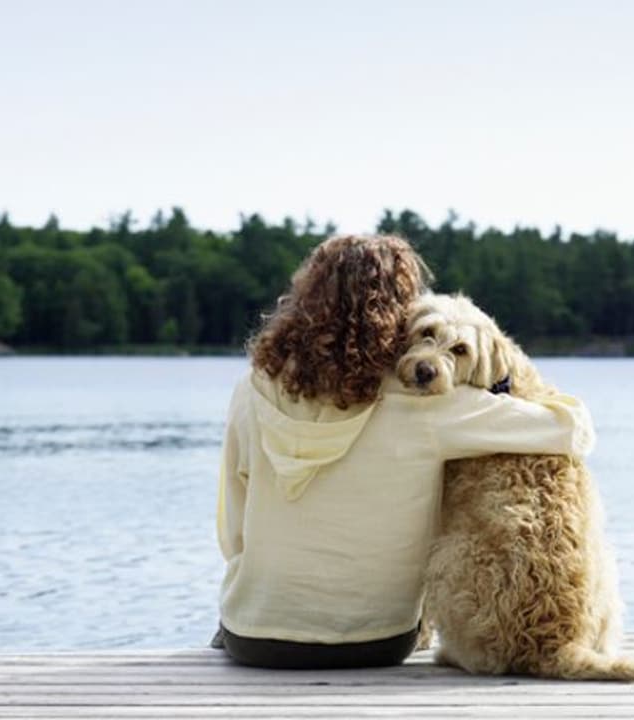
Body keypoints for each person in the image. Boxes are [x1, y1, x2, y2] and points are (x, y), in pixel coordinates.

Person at [213, 234, 595, 669]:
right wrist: (507, 372)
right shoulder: (428, 404)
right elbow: (573, 431)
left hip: (255, 638)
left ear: (304, 298)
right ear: (399, 314)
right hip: (378, 641)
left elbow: (232, 531)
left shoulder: (252, 388)